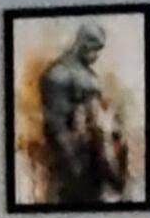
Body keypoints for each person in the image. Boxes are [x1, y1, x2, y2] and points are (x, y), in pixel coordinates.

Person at [34, 25, 129, 204]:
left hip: (98, 162)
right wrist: (75, 167)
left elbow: (100, 118)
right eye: (95, 49)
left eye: (99, 50)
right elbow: (56, 127)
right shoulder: (58, 74)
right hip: (74, 167)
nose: (97, 55)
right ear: (83, 44)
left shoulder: (90, 75)